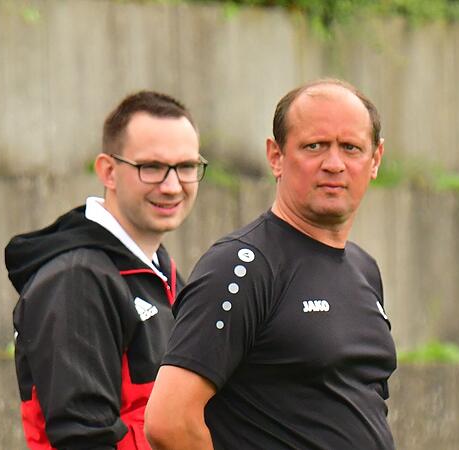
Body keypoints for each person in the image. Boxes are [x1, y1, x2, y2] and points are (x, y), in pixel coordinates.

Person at [145, 79, 397, 450]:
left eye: (351, 148)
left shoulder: (364, 269)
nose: (334, 164)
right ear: (276, 156)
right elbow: (169, 422)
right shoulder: (240, 267)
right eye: (314, 146)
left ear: (375, 160)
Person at [4, 91, 206, 449]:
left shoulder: (161, 273)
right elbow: (82, 437)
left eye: (187, 167)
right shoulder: (75, 280)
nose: (173, 185)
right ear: (108, 171)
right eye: (152, 167)